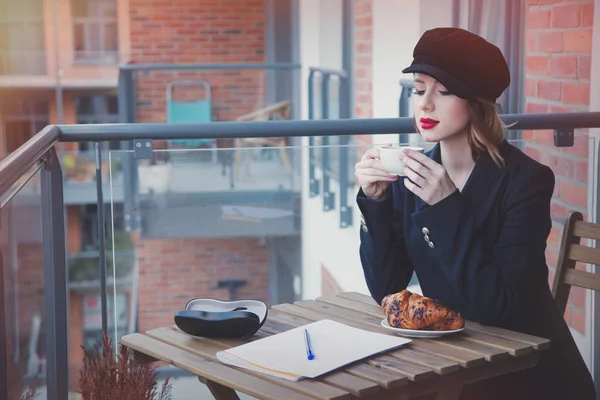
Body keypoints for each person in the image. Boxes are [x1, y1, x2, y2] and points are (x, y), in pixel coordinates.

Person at [355, 27, 596, 400]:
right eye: (419, 89)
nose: (425, 105)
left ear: (477, 102)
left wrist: (445, 206)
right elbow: (387, 290)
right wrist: (376, 202)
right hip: (454, 361)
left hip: (527, 374)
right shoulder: (412, 176)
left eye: (444, 91)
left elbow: (495, 307)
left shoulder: (526, 182)